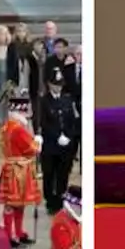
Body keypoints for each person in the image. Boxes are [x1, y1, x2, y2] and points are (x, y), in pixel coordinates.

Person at [0, 93, 41, 248]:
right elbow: (30, 149)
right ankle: (13, 234)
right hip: (19, 169)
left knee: (13, 204)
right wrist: (37, 143)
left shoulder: (7, 127)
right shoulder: (19, 130)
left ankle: (15, 233)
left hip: (9, 166)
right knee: (16, 204)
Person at [39, 68, 79, 213]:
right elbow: (44, 123)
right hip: (50, 145)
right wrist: (57, 136)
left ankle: (61, 199)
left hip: (65, 146)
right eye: (56, 84)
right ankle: (51, 201)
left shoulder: (68, 100)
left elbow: (73, 120)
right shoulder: (43, 101)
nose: (58, 87)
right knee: (49, 174)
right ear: (49, 84)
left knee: (63, 174)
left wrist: (69, 136)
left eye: (60, 84)